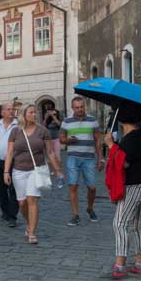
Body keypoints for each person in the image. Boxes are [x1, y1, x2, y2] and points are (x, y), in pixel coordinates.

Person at [5, 105, 62, 244]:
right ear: (24, 115)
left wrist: (58, 170)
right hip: (18, 170)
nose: (34, 114)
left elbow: (50, 153)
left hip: (36, 170)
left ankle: (31, 232)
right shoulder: (15, 131)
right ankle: (30, 222)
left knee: (32, 200)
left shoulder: (43, 131)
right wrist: (6, 171)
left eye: (35, 112)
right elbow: (10, 153)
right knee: (22, 203)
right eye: (31, 112)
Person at [105, 103, 141, 279]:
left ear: (124, 120)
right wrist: (115, 144)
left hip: (133, 186)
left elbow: (123, 163)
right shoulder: (136, 135)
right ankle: (140, 264)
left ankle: (120, 265)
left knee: (120, 223)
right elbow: (124, 155)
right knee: (137, 225)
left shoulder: (132, 138)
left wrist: (110, 145)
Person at [60, 96, 104, 226]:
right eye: (77, 107)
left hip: (89, 158)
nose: (80, 109)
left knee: (92, 187)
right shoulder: (66, 121)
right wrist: (68, 140)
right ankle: (75, 215)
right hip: (73, 157)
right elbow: (61, 138)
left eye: (82, 107)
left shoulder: (93, 120)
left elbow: (97, 141)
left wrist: (101, 158)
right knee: (73, 185)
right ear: (72, 108)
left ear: (85, 106)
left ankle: (90, 208)